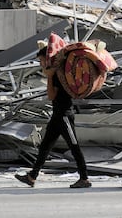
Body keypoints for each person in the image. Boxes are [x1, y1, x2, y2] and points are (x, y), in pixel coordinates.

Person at [15, 45, 91, 188]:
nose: (41, 64)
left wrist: (49, 77)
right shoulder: (57, 73)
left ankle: (84, 178)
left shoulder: (57, 75)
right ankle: (32, 176)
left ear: (48, 60)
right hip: (57, 115)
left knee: (74, 146)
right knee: (45, 146)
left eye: (42, 61)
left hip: (64, 115)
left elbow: (51, 95)